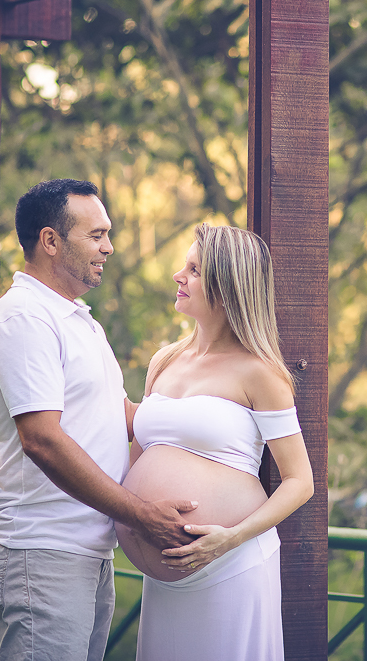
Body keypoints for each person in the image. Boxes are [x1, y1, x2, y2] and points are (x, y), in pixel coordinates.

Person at [0, 179, 197, 661]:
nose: (109, 247)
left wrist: (215, 421)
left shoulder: (80, 321)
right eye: (95, 235)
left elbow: (122, 417)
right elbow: (42, 441)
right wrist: (141, 514)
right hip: (40, 550)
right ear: (51, 240)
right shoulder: (25, 320)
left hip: (86, 550)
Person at [118, 223, 315, 661]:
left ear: (226, 290)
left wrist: (230, 537)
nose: (178, 276)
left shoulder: (260, 372)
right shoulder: (164, 360)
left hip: (230, 564)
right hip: (165, 577)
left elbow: (300, 481)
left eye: (194, 269)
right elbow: (137, 457)